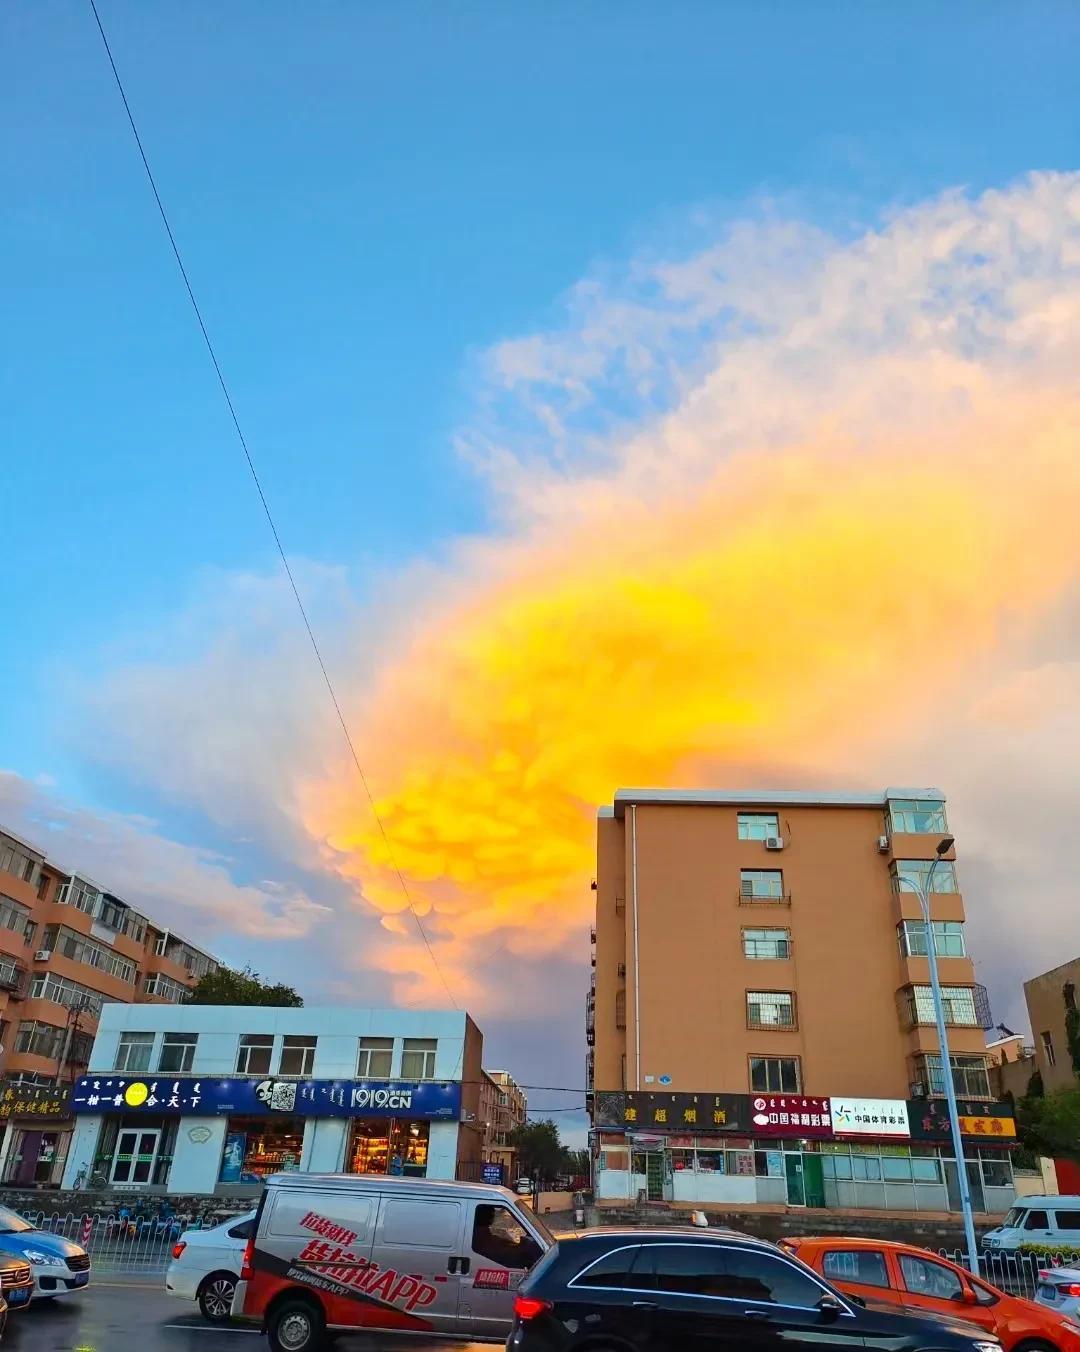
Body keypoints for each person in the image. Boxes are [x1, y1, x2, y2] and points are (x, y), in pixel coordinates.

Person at [471, 1205, 540, 1269]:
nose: (494, 1216)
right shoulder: (483, 1237)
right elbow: (498, 1250)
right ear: (490, 1218)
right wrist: (520, 1246)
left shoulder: (476, 1233)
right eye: (492, 1214)